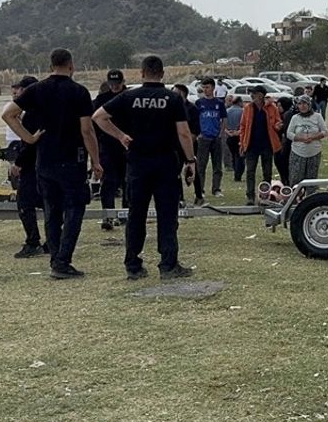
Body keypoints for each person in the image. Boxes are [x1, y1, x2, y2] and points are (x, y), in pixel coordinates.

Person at [92, 55, 196, 281]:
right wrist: (190, 161)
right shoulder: (173, 98)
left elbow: (98, 116)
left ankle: (133, 264)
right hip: (165, 162)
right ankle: (168, 264)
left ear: (141, 73)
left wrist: (120, 136)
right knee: (167, 215)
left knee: (136, 214)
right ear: (162, 73)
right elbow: (184, 133)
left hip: (138, 163)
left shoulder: (129, 96)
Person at [3, 48, 102, 280]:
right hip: (71, 159)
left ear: (50, 66)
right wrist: (96, 160)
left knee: (52, 211)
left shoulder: (37, 89)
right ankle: (63, 260)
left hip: (44, 160)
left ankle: (55, 257)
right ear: (72, 65)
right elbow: (86, 130)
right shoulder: (79, 92)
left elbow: (8, 114)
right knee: (75, 209)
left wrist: (28, 138)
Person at [6, 76, 45, 258]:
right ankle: (52, 240)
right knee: (48, 203)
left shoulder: (31, 115)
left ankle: (33, 241)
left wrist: (19, 163)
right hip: (46, 163)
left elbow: (30, 144)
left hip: (32, 166)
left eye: (21, 90)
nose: (18, 93)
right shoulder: (44, 110)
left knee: (25, 204)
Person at [94, 70, 128, 230]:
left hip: (127, 147)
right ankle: (108, 215)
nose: (115, 87)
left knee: (128, 182)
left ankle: (126, 214)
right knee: (108, 182)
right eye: (112, 84)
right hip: (107, 147)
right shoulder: (100, 100)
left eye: (118, 84)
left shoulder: (129, 98)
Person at [240, 85, 282, 204]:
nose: (251, 95)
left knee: (267, 172)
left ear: (261, 95)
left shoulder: (271, 108)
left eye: (254, 93)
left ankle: (266, 196)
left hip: (267, 145)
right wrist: (242, 143)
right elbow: (243, 126)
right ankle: (250, 196)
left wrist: (278, 125)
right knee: (250, 172)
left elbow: (277, 122)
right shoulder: (248, 108)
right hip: (251, 145)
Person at [194, 78, 227, 202]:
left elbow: (224, 119)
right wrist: (199, 133)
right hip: (204, 138)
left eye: (207, 87)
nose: (205, 90)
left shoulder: (219, 103)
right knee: (201, 166)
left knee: (217, 165)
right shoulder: (199, 103)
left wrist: (221, 133)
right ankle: (200, 190)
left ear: (213, 88)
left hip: (216, 138)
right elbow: (195, 119)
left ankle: (216, 189)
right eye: (204, 87)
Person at [286, 95, 328, 186]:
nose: (302, 106)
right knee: (296, 178)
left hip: (314, 152)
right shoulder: (295, 118)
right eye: (300, 104)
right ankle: (296, 198)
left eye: (305, 103)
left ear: (309, 105)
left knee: (311, 179)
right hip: (298, 152)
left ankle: (310, 198)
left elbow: (325, 131)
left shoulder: (317, 116)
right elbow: (289, 134)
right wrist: (302, 138)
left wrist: (313, 137)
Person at [275, 96, 295, 185]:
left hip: (286, 145)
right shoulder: (281, 115)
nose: (278, 108)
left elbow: (287, 131)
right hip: (281, 144)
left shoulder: (288, 115)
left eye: (279, 106)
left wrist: (281, 127)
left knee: (283, 163)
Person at [225, 95, 244, 181]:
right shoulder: (242, 112)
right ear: (239, 102)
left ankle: (235, 170)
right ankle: (238, 175)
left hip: (229, 136)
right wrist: (238, 132)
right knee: (240, 156)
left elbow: (222, 124)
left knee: (233, 155)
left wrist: (228, 132)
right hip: (239, 136)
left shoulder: (227, 111)